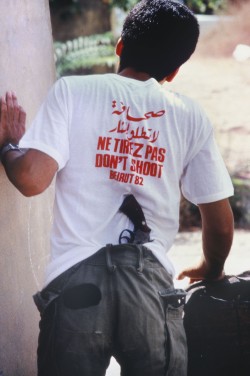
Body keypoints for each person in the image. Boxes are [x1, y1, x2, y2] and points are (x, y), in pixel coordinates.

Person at [0, 0, 234, 375]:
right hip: (149, 287)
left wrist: (10, 145)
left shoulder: (72, 91)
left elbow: (30, 179)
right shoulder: (189, 115)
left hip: (76, 286)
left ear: (120, 45)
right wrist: (211, 267)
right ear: (174, 72)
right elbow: (221, 226)